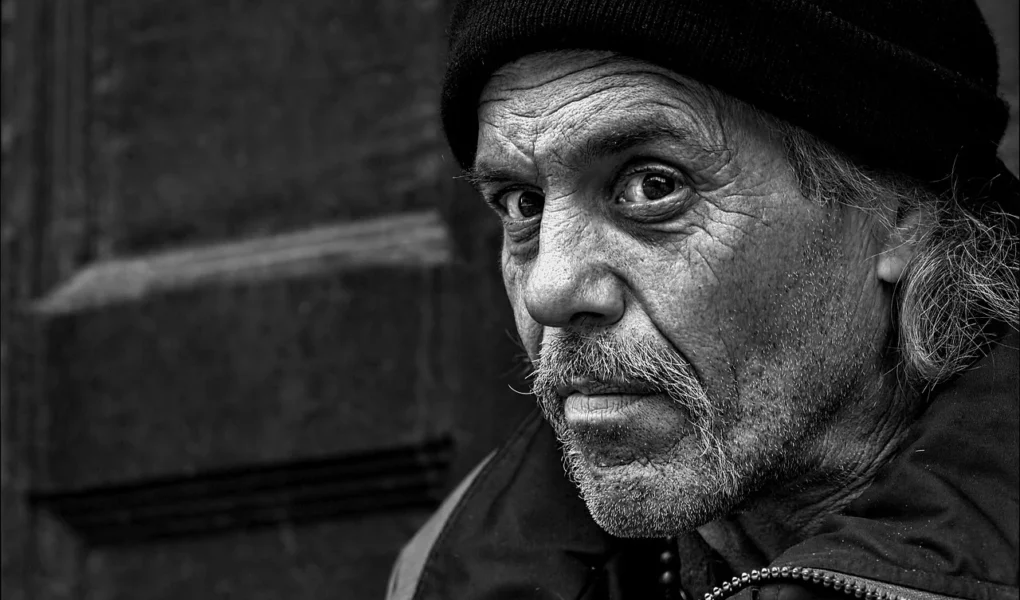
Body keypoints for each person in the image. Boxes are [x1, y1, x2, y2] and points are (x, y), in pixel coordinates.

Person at [389, 1, 1019, 599]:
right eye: (524, 204)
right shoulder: (451, 566)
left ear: (897, 212)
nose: (548, 291)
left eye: (653, 186)